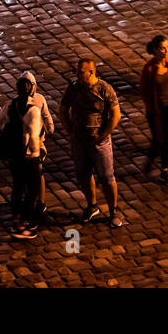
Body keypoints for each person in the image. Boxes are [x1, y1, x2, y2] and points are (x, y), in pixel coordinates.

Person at [59, 58, 123, 227]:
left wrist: (103, 134)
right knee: (83, 174)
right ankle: (92, 205)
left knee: (107, 178)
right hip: (79, 141)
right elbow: (63, 109)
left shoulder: (104, 89)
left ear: (91, 72)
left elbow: (116, 115)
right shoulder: (74, 88)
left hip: (99, 142)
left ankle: (113, 211)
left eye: (81, 72)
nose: (78, 75)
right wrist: (70, 131)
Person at [0, 70, 54, 239]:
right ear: (32, 89)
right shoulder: (33, 110)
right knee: (33, 190)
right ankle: (25, 224)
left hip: (14, 156)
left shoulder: (10, 105)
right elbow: (34, 136)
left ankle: (15, 220)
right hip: (29, 156)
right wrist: (36, 153)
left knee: (18, 188)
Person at [139, 36, 168, 185]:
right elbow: (144, 91)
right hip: (156, 111)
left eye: (167, 47)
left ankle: (164, 171)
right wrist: (152, 108)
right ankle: (150, 161)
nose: (166, 51)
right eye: (162, 48)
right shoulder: (149, 69)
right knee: (159, 140)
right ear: (156, 50)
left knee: (167, 141)